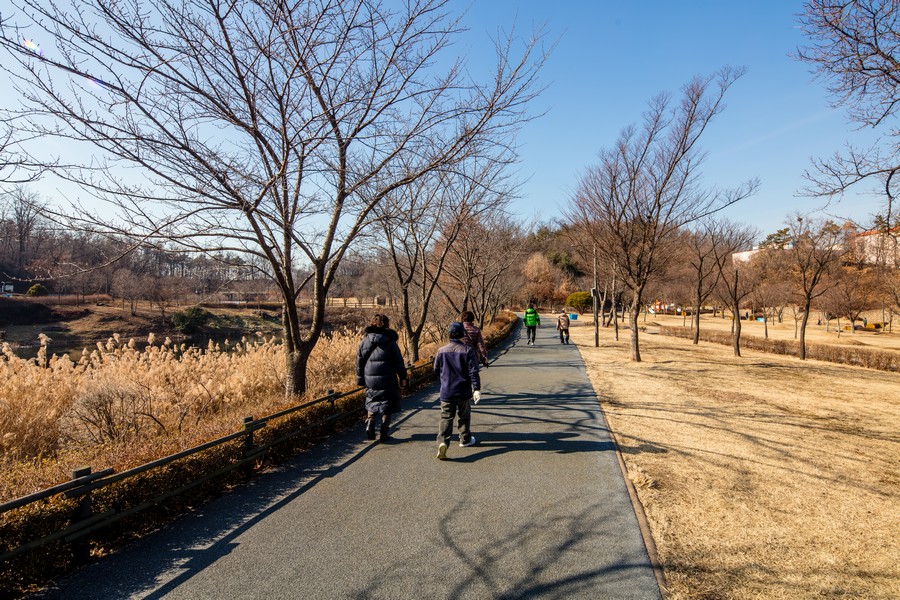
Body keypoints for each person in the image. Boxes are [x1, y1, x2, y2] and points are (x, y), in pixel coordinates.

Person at [356, 313, 408, 442]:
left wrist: (360, 380)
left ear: (372, 323)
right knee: (387, 406)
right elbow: (398, 363)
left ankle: (370, 422)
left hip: (370, 378)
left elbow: (359, 363)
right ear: (387, 324)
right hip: (388, 378)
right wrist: (403, 378)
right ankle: (384, 433)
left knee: (372, 401)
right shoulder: (390, 342)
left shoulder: (364, 342)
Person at [433, 321, 481, 460]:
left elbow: (436, 370)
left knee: (446, 417)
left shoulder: (441, 351)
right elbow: (473, 371)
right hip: (463, 390)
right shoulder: (467, 350)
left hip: (447, 390)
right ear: (462, 334)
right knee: (464, 416)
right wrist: (476, 388)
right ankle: (465, 439)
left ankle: (442, 442)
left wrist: (444, 378)